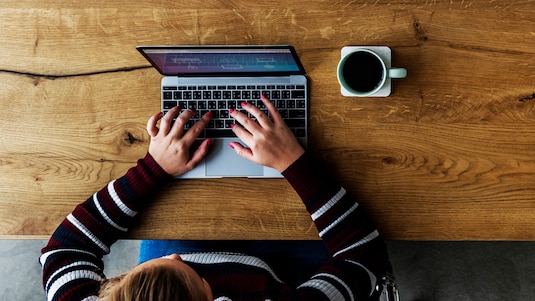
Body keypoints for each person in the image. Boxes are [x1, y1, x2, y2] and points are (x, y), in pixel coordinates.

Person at [40, 95, 391, 300]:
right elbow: (362, 256)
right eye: (185, 269)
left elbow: (64, 249)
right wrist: (292, 161)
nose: (177, 255)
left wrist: (152, 168)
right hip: (277, 283)